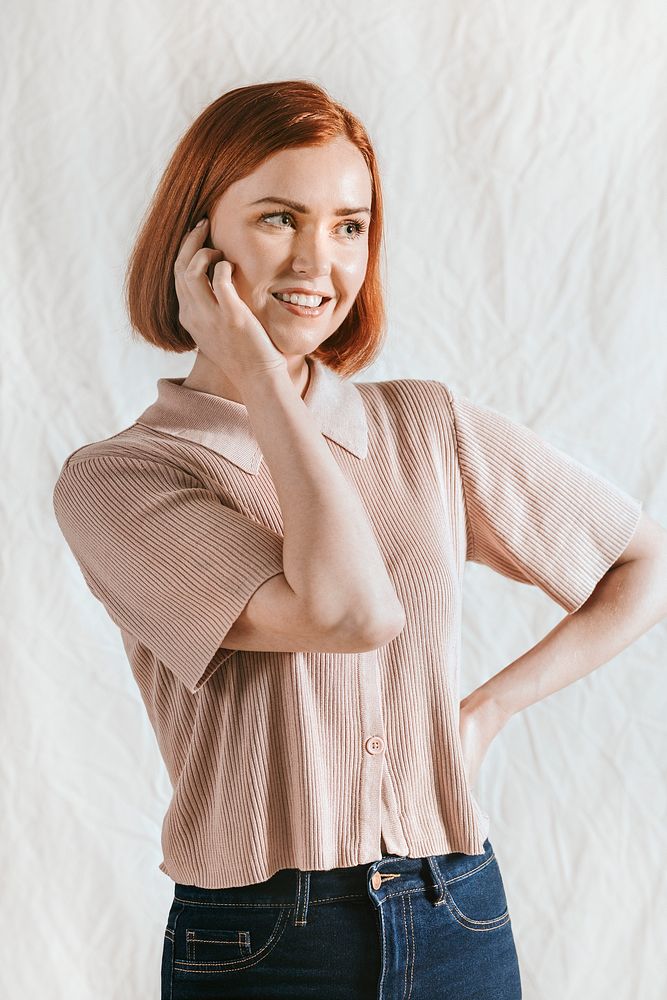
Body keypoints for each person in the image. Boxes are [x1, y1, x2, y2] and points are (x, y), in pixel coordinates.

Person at [51, 80, 667, 1000]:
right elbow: (347, 613)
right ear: (197, 241)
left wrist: (485, 712)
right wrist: (258, 371)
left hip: (455, 906)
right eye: (278, 218)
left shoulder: (426, 427)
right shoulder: (121, 480)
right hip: (261, 941)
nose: (318, 260)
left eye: (349, 226)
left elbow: (639, 561)